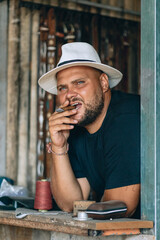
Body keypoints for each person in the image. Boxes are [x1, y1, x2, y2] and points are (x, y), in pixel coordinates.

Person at [38, 42, 140, 218]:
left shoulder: (127, 118)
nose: (70, 94)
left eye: (79, 82)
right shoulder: (75, 129)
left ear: (103, 82)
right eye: (63, 88)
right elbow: (70, 203)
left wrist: (88, 207)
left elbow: (120, 207)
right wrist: (59, 147)